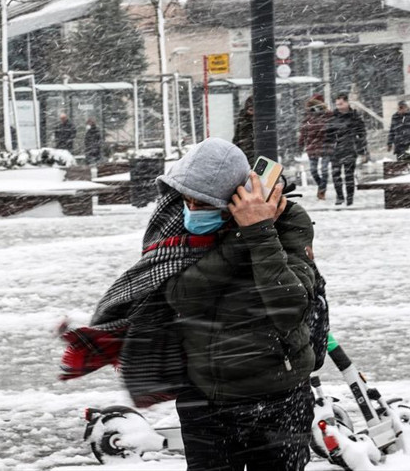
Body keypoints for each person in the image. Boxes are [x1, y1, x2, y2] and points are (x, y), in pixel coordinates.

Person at [58, 138, 317, 470]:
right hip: (205, 397)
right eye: (188, 200)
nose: (191, 210)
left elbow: (288, 307)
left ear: (234, 199)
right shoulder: (175, 222)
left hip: (278, 398)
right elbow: (182, 295)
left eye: (203, 204)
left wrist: (261, 231)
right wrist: (242, 236)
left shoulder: (287, 221)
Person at [329, 94, 368, 206]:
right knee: (336, 175)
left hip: (350, 149)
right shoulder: (333, 118)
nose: (339, 107)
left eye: (341, 104)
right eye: (337, 104)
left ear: (347, 103)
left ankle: (350, 198)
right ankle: (340, 196)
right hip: (336, 150)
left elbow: (361, 135)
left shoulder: (355, 117)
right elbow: (328, 135)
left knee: (349, 175)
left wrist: (362, 150)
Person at [298, 94, 333, 200]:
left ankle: (322, 190)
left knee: (324, 169)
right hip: (312, 146)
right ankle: (321, 186)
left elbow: (334, 129)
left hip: (326, 145)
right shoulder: (308, 117)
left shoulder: (328, 115)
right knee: (313, 170)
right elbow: (303, 132)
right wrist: (300, 145)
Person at [232, 95, 255, 165]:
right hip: (245, 154)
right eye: (250, 109)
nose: (252, 111)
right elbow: (236, 138)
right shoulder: (242, 120)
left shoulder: (242, 120)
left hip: (251, 154)